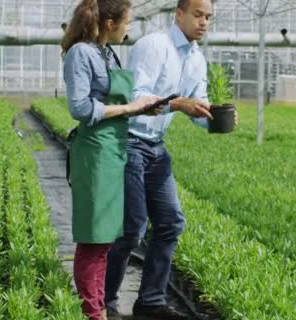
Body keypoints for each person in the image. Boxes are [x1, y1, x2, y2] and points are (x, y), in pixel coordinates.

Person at [104, 0, 237, 319]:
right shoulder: (154, 45)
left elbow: (197, 105)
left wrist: (214, 117)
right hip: (129, 142)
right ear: (179, 14)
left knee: (170, 222)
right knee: (131, 228)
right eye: (197, 15)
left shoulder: (195, 59)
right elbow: (139, 97)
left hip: (155, 147)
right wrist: (179, 104)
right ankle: (103, 300)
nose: (203, 22)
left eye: (208, 17)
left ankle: (150, 302)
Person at [61, 0, 163, 319]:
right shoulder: (82, 53)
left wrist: (145, 106)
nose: (129, 27)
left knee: (106, 237)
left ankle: (98, 305)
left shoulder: (107, 52)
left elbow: (117, 101)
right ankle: (92, 311)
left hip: (113, 150)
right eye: (127, 22)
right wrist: (131, 109)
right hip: (95, 152)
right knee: (93, 237)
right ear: (109, 23)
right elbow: (80, 108)